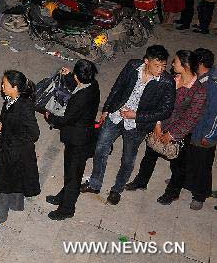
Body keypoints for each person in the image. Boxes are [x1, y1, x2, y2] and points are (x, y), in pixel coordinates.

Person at [82, 45, 175, 205]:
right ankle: (95, 183)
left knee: (127, 159)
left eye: (163, 66)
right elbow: (118, 88)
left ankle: (116, 190)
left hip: (136, 126)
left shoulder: (167, 82)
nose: (160, 69)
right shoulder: (133, 66)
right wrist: (106, 109)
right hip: (116, 116)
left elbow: (165, 111)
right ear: (146, 61)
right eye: (156, 65)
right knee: (100, 149)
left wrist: (136, 115)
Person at [125, 49, 207, 205]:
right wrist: (157, 124)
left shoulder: (198, 90)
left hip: (178, 135)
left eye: (175, 61)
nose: (172, 64)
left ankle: (173, 192)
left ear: (185, 65)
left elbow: (191, 118)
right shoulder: (171, 80)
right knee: (149, 156)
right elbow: (159, 103)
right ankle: (141, 181)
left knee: (177, 167)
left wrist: (172, 134)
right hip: (159, 126)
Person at [44, 60, 100, 221]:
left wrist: (51, 117)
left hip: (78, 140)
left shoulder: (81, 97)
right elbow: (77, 84)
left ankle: (66, 209)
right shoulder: (92, 85)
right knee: (71, 172)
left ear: (78, 76)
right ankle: (63, 197)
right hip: (81, 135)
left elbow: (67, 118)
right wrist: (69, 76)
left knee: (73, 176)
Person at [0, 70, 40, 227]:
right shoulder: (10, 100)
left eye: (5, 84)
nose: (2, 86)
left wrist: (12, 139)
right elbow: (6, 118)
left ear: (15, 87)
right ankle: (16, 204)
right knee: (14, 179)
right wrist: (0, 124)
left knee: (3, 182)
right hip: (8, 149)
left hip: (14, 152)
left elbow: (34, 133)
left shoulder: (24, 106)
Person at [174, 48, 216, 209]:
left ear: (200, 64)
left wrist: (210, 136)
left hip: (204, 133)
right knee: (190, 158)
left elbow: (215, 115)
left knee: (202, 165)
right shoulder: (201, 78)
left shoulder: (212, 84)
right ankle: (187, 182)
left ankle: (200, 195)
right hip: (194, 129)